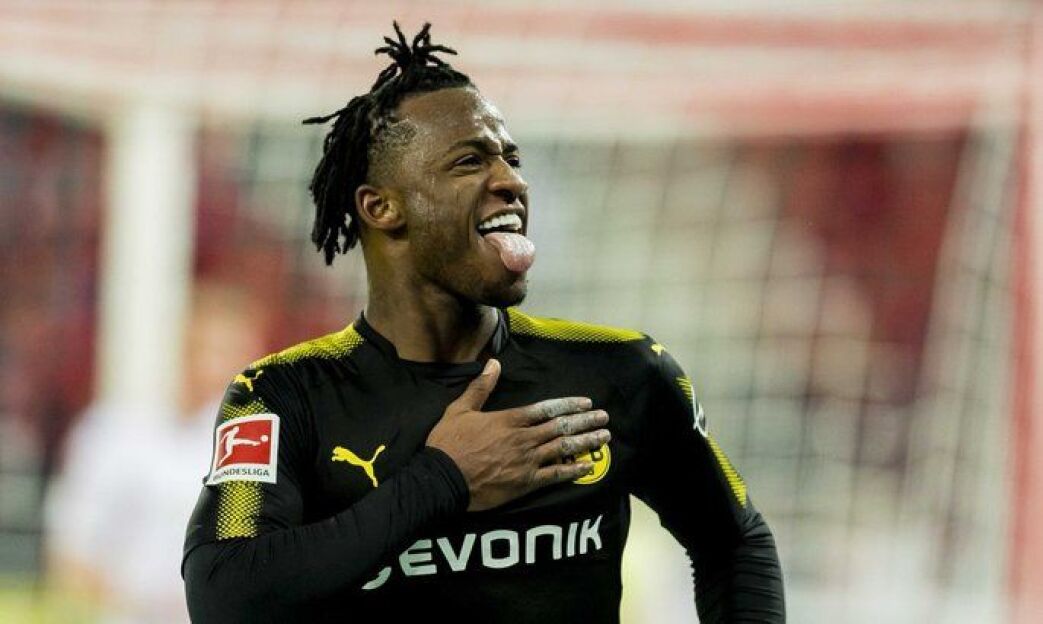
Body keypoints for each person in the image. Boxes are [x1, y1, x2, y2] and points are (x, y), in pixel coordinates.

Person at [183, 23, 784, 623]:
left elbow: (737, 542)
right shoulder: (284, 394)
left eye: (511, 159)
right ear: (381, 207)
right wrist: (442, 480)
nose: (512, 181)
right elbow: (222, 593)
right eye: (470, 161)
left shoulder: (623, 372)